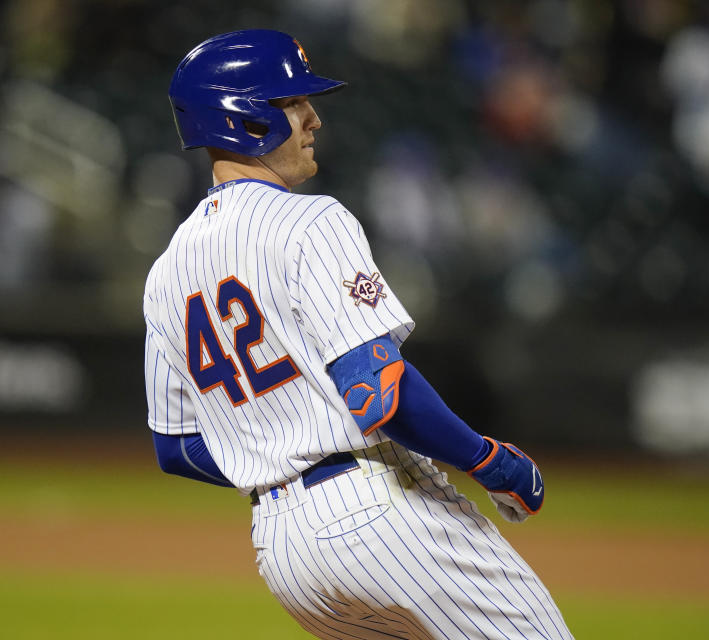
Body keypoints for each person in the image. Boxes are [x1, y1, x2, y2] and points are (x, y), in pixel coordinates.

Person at [143, 29, 574, 640]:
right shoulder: (311, 220)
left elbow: (177, 448)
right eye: (294, 104)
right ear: (247, 119)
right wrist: (487, 458)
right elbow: (377, 392)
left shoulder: (164, 273)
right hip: (379, 516)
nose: (314, 118)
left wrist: (273, 453)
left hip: (286, 555)